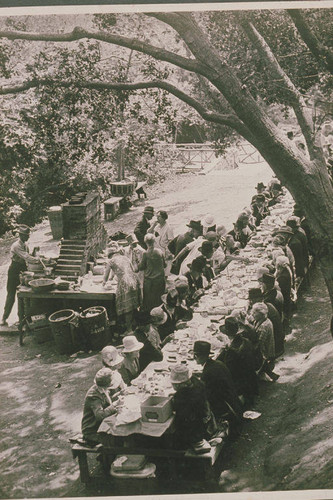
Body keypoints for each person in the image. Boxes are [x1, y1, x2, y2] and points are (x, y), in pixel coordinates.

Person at [193, 340, 243, 437]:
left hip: (225, 407)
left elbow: (204, 395)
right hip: (233, 401)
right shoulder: (217, 364)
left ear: (197, 356)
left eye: (195, 356)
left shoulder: (207, 373)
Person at [1, 225, 41, 326]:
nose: (28, 237)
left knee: (22, 296)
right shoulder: (16, 245)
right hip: (14, 271)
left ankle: (21, 319)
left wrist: (35, 252)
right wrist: (38, 260)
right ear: (21, 235)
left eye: (28, 235)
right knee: (11, 295)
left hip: (23, 271)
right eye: (26, 235)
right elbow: (26, 257)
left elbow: (28, 256)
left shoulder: (25, 245)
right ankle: (4, 318)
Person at [171, 364, 213, 453]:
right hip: (207, 419)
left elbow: (179, 416)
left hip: (196, 430)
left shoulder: (182, 397)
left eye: (173, 384)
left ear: (179, 385)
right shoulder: (197, 383)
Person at [218, 317, 258, 408]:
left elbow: (227, 369)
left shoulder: (233, 350)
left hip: (240, 382)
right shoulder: (246, 341)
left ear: (226, 333)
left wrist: (226, 349)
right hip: (250, 378)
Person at [103, 242, 141, 335]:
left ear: (110, 255)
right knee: (133, 305)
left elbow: (105, 277)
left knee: (126, 306)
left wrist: (104, 283)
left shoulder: (111, 261)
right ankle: (134, 324)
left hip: (125, 283)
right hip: (134, 279)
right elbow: (132, 269)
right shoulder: (125, 258)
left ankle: (129, 330)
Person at [81, 368, 117, 445]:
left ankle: (109, 456)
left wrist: (120, 394)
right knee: (118, 440)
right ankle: (105, 457)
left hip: (102, 426)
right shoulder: (93, 396)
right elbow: (100, 416)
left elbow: (107, 401)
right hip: (92, 431)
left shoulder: (102, 389)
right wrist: (114, 406)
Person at [248, 287, 284, 358]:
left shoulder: (264, 316)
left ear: (257, 299)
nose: (250, 302)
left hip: (275, 347)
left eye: (251, 300)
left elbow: (258, 341)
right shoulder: (267, 306)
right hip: (277, 340)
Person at [249, 303, 279, 382]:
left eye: (254, 312)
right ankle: (268, 372)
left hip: (265, 352)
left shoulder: (264, 326)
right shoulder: (263, 320)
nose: (252, 313)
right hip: (266, 348)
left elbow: (259, 344)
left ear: (261, 314)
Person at [138, 233, 166, 312]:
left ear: (145, 242)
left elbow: (141, 267)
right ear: (154, 241)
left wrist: (138, 263)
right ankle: (160, 313)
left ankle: (150, 315)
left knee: (149, 301)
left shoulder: (145, 254)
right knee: (159, 298)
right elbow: (164, 265)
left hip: (149, 281)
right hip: (160, 279)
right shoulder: (160, 251)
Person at [275, 255, 293, 324]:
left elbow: (279, 290)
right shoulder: (286, 270)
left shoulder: (283, 277)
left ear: (279, 265)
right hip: (286, 296)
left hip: (284, 300)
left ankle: (284, 320)